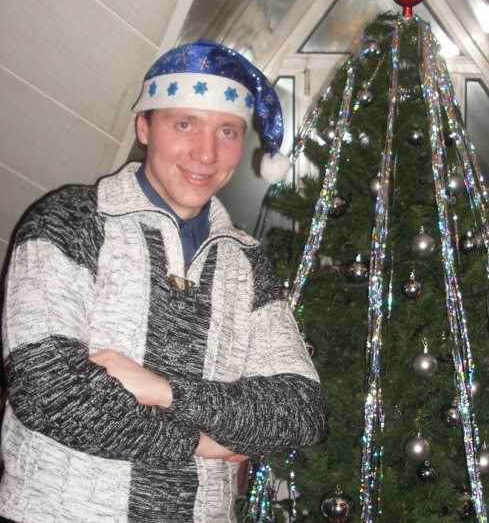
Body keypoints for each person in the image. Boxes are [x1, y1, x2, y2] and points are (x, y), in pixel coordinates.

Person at [0, 40, 326, 522]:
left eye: (228, 131)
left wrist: (164, 389)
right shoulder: (68, 221)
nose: (206, 153)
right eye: (184, 124)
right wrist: (201, 442)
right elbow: (49, 390)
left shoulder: (247, 261)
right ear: (144, 126)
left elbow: (301, 411)